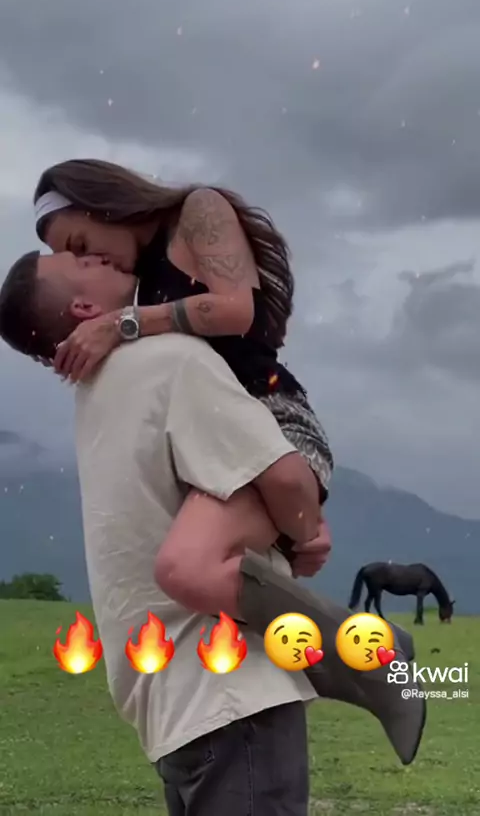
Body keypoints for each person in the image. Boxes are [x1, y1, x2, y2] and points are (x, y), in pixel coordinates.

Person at [0, 250, 426, 794]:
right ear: (83, 307)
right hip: (233, 697)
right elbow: (285, 479)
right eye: (80, 260)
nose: (97, 255)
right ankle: (371, 651)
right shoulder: (168, 360)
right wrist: (302, 531)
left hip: (166, 709)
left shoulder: (94, 399)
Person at [32, 159, 334, 562]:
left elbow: (236, 309)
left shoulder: (199, 211)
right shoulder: (140, 284)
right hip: (212, 447)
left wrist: (121, 323)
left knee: (188, 566)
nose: (94, 260)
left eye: (82, 245)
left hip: (273, 422)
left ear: (103, 203)